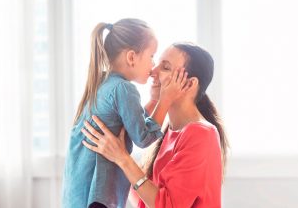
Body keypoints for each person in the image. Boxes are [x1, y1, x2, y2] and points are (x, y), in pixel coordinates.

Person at [82, 42, 229, 208]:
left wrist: (123, 159)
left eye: (165, 67)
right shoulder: (168, 130)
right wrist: (117, 153)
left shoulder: (202, 134)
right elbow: (144, 200)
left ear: (189, 84)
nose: (153, 71)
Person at [62, 19, 191, 208]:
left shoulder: (102, 83)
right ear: (131, 57)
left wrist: (155, 100)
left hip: (77, 193)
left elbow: (132, 121)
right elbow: (143, 136)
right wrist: (165, 100)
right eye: (152, 56)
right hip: (97, 195)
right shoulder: (124, 89)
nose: (153, 66)